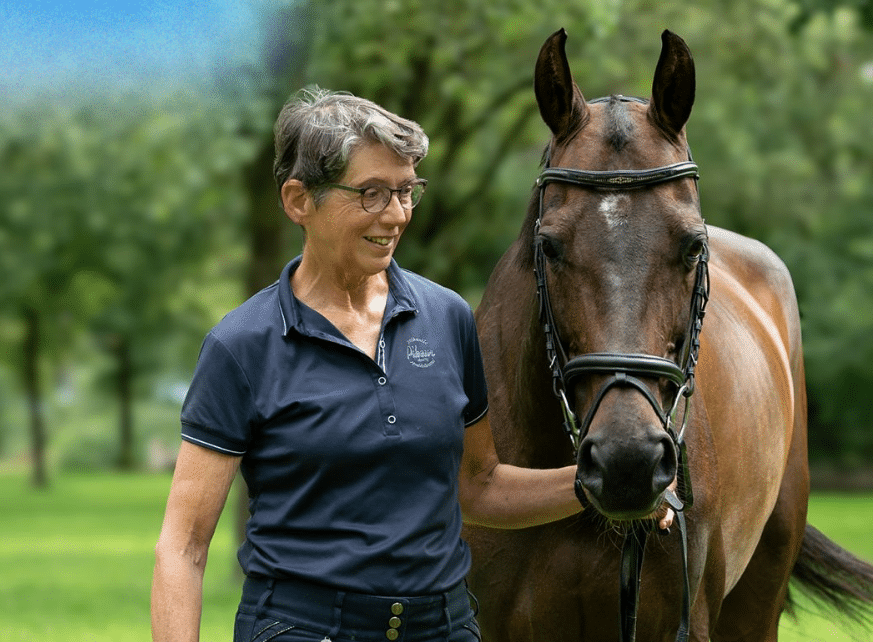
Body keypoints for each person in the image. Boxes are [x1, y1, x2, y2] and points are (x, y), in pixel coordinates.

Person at [152, 86, 674, 642]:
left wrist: (607, 483)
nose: (397, 215)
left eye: (407, 191)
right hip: (302, 628)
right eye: (372, 193)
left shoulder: (446, 318)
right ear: (299, 200)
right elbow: (184, 545)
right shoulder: (243, 345)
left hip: (442, 627)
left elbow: (478, 486)